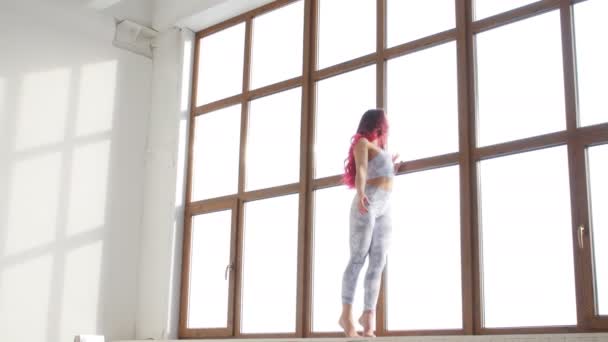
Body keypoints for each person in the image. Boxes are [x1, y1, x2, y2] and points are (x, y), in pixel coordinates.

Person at [339, 109, 401, 337]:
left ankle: (368, 315)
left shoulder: (381, 149)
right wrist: (362, 191)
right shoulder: (362, 143)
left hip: (385, 206)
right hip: (367, 202)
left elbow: (380, 171)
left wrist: (391, 167)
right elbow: (362, 169)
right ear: (378, 125)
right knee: (358, 258)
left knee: (379, 260)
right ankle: (346, 316)